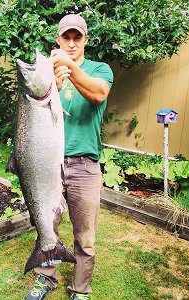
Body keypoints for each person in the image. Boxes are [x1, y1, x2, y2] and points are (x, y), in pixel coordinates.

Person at [25, 14, 114, 300]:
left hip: (85, 166)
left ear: (86, 40)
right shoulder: (47, 74)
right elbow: (36, 109)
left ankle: (80, 289)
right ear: (58, 39)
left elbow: (99, 95)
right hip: (49, 165)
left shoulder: (101, 69)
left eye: (78, 38)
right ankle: (45, 279)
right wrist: (55, 86)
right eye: (67, 37)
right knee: (46, 226)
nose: (72, 43)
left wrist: (69, 66)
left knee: (85, 236)